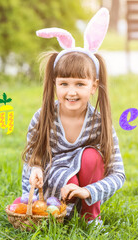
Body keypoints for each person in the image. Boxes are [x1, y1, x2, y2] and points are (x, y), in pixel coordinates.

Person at [13, 8, 125, 223]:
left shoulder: (100, 123)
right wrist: (31, 200)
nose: (71, 91)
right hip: (53, 189)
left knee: (91, 157)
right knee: (64, 174)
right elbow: (31, 162)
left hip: (85, 190)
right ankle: (61, 215)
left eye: (80, 84)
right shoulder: (42, 118)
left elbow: (118, 174)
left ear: (94, 86)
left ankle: (88, 216)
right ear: (55, 84)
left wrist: (89, 191)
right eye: (64, 83)